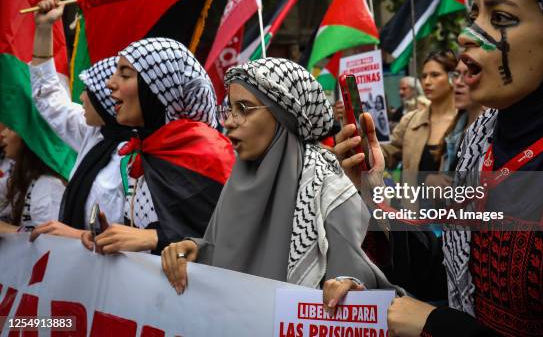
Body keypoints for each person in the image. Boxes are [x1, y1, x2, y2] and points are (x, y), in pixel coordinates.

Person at [327, 0, 543, 336]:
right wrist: (376, 195)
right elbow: (448, 272)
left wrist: (437, 325)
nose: (466, 36)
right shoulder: (482, 150)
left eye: (502, 18)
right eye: (476, 16)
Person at [160, 58, 396, 294]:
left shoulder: (328, 185)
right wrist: (194, 249)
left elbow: (354, 274)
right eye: (229, 109)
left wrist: (348, 283)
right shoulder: (238, 179)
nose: (230, 122)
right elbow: (226, 257)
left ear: (283, 115)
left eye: (243, 109)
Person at [82, 37, 235, 255]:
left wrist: (155, 237)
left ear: (159, 89)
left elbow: (230, 241)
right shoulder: (143, 151)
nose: (110, 83)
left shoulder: (210, 154)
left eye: (125, 74)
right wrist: (115, 237)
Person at [26, 0, 134, 241]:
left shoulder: (141, 155)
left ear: (109, 102)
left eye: (90, 91)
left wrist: (77, 236)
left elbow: (138, 237)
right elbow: (49, 98)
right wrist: (44, 28)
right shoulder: (96, 134)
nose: (81, 97)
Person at [381, 51, 457, 184]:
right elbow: (386, 154)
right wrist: (363, 137)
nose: (427, 82)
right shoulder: (410, 121)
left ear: (452, 77)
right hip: (413, 203)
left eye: (435, 75)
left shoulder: (469, 121)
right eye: (424, 76)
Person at [0, 128, 65, 233]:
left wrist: (7, 229)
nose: (3, 134)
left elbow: (50, 241)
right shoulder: (20, 178)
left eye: (11, 128)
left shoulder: (48, 186)